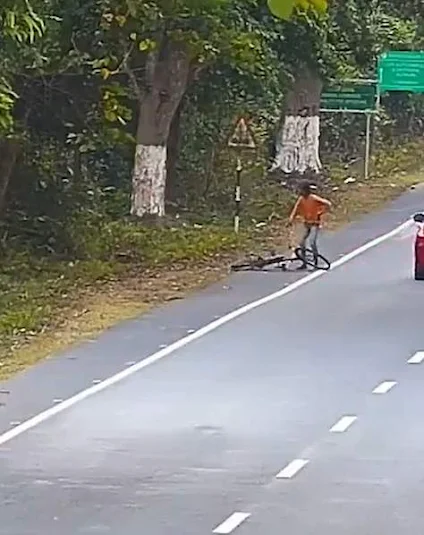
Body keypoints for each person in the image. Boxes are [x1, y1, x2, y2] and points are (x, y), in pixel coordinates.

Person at [288, 181, 331, 269]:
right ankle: (304, 263)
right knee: (302, 243)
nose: (300, 192)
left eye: (301, 190)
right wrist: (291, 219)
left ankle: (315, 262)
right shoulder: (301, 199)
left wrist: (321, 212)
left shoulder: (313, 198)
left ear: (306, 190)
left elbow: (328, 204)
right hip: (307, 223)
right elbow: (295, 209)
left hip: (314, 224)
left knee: (312, 242)